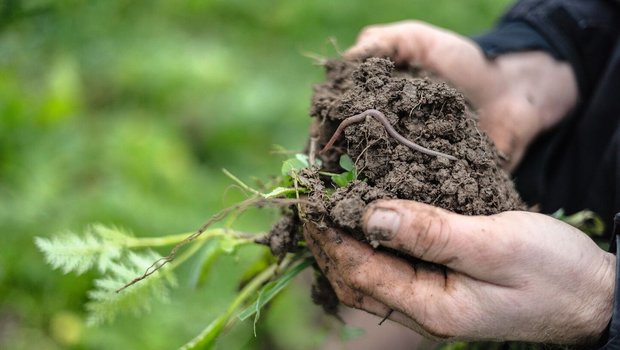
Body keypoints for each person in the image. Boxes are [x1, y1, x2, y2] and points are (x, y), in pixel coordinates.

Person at [303, 0, 620, 347]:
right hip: (552, 167)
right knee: (389, 295)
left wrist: (604, 299)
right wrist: (543, 51)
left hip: (550, 250)